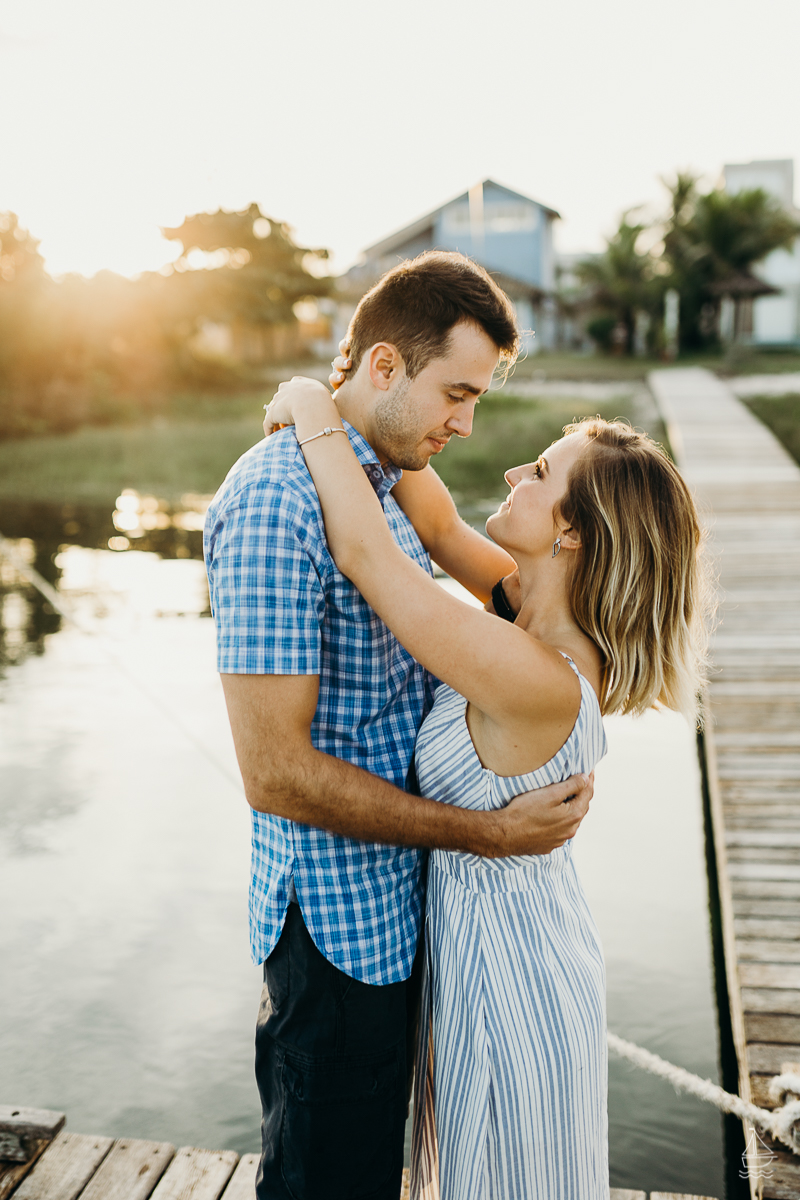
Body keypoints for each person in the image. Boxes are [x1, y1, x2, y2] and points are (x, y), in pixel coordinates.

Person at [203, 250, 594, 1200]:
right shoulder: (276, 502)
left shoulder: (382, 482)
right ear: (384, 367)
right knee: (325, 1178)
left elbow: (407, 552)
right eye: (457, 393)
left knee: (377, 1172)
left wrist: (309, 400)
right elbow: (276, 776)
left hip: (413, 915)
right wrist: (488, 835)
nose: (469, 424)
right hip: (339, 929)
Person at [262, 373, 709, 1200]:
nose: (512, 474)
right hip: (494, 950)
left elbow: (370, 555)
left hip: (513, 983)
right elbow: (431, 523)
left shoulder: (535, 671)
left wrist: (305, 400)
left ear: (571, 531)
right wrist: (354, 398)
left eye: (539, 473)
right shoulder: (522, 609)